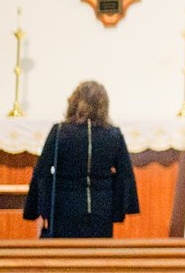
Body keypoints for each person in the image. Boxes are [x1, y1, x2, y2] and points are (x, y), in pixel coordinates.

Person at [22, 80, 140, 239]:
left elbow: (42, 172)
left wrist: (35, 209)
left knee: (64, 259)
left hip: (64, 207)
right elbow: (125, 174)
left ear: (74, 102)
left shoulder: (59, 132)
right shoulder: (113, 134)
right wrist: (120, 209)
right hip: (101, 208)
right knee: (97, 258)